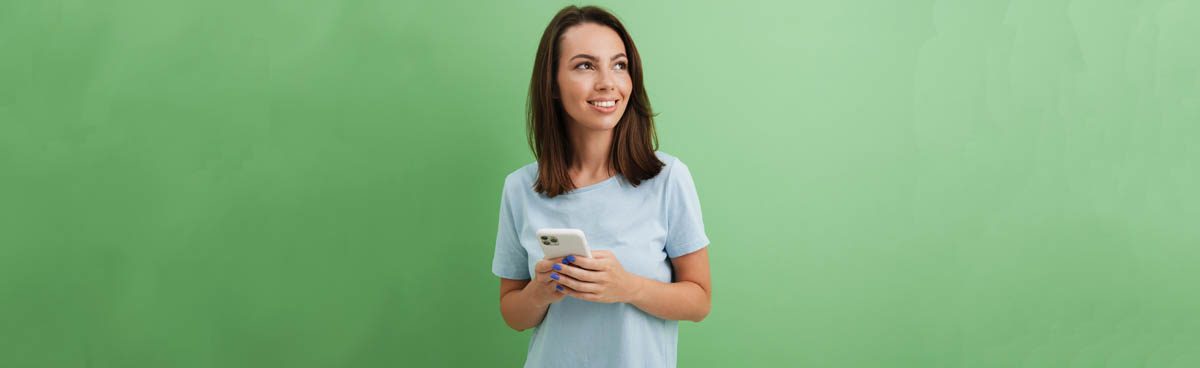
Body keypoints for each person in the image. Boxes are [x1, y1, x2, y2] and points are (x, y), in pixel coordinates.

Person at [491, 5, 712, 368]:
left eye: (619, 65)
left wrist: (628, 287)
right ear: (553, 86)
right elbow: (513, 314)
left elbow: (700, 301)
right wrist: (539, 293)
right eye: (585, 65)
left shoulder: (668, 178)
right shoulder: (520, 188)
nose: (608, 82)